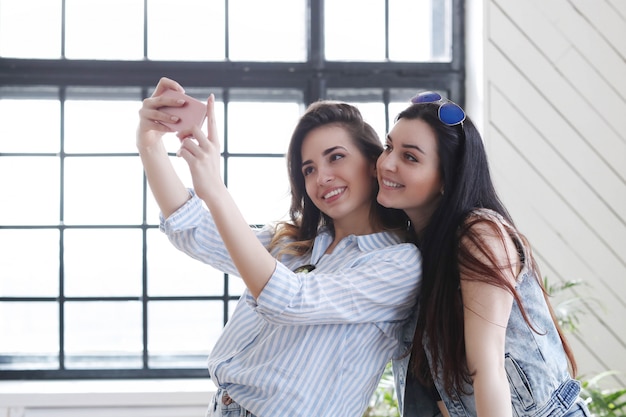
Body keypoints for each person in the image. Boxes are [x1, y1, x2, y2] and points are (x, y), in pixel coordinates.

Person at [136, 77, 422, 417]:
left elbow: (289, 299)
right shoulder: (294, 244)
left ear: (373, 165)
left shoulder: (399, 262)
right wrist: (149, 144)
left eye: (336, 157)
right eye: (309, 169)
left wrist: (216, 189)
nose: (322, 177)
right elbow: (193, 229)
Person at [377, 91, 591, 417]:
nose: (387, 163)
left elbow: (486, 367)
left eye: (410, 157)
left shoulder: (480, 234)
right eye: (389, 147)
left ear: (447, 179)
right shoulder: (407, 252)